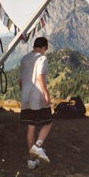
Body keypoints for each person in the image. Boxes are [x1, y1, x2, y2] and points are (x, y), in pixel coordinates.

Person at [19, 36, 53, 169]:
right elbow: (40, 77)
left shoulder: (25, 58)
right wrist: (46, 94)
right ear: (44, 47)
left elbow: (20, 81)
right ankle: (38, 146)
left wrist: (24, 93)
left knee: (31, 127)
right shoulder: (42, 58)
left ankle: (31, 161)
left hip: (26, 97)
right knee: (48, 122)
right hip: (37, 96)